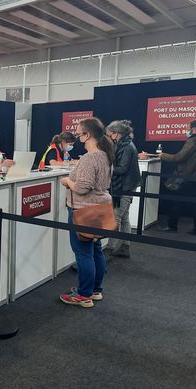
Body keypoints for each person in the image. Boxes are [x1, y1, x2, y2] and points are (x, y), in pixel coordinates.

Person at [60, 117, 114, 308]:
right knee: (96, 249)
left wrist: (67, 182)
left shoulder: (90, 158)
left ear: (87, 135)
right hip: (99, 207)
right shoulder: (105, 155)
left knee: (83, 253)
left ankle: (84, 295)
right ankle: (95, 290)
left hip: (83, 209)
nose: (77, 135)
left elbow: (82, 187)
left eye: (78, 132)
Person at [154, 119, 196, 236]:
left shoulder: (193, 141)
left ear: (194, 129)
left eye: (188, 128)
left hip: (188, 177)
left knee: (177, 202)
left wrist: (162, 155)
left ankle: (172, 226)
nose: (186, 130)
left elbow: (178, 157)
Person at [105, 120, 140, 258]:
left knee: (115, 218)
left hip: (125, 187)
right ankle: (125, 247)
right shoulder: (125, 144)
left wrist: (108, 168)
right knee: (124, 218)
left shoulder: (126, 147)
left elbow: (122, 169)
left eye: (110, 134)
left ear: (116, 133)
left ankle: (109, 249)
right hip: (127, 185)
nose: (109, 137)